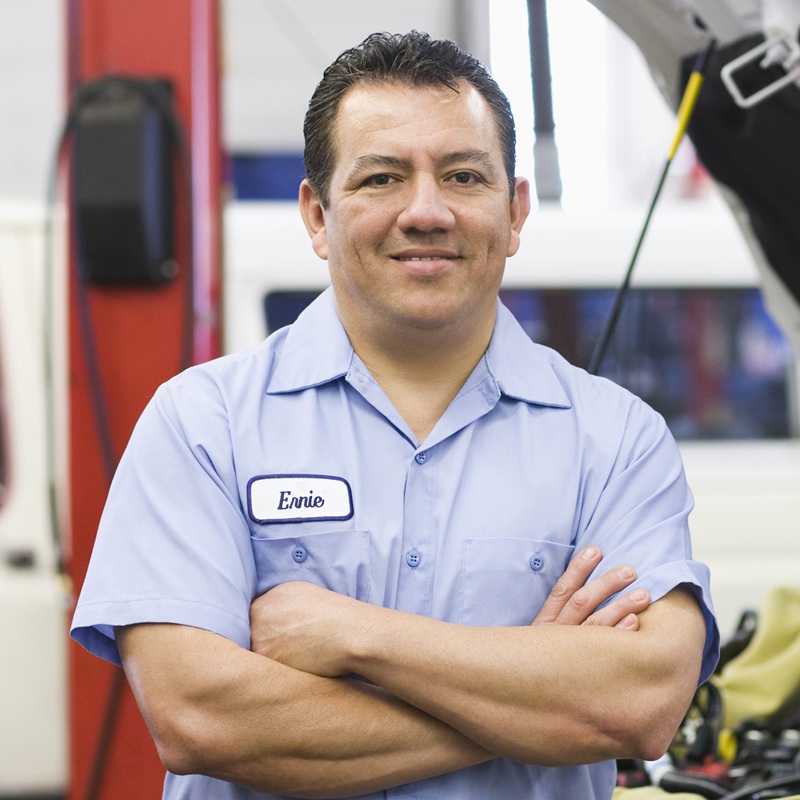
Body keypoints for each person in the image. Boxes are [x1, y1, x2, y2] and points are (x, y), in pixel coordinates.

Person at [71, 30, 719, 799]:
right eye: (382, 177)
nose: (426, 211)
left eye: (463, 176)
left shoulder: (615, 440)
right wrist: (537, 701)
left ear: (514, 212)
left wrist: (353, 635)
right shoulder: (203, 425)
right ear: (317, 216)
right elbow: (198, 717)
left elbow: (641, 702)